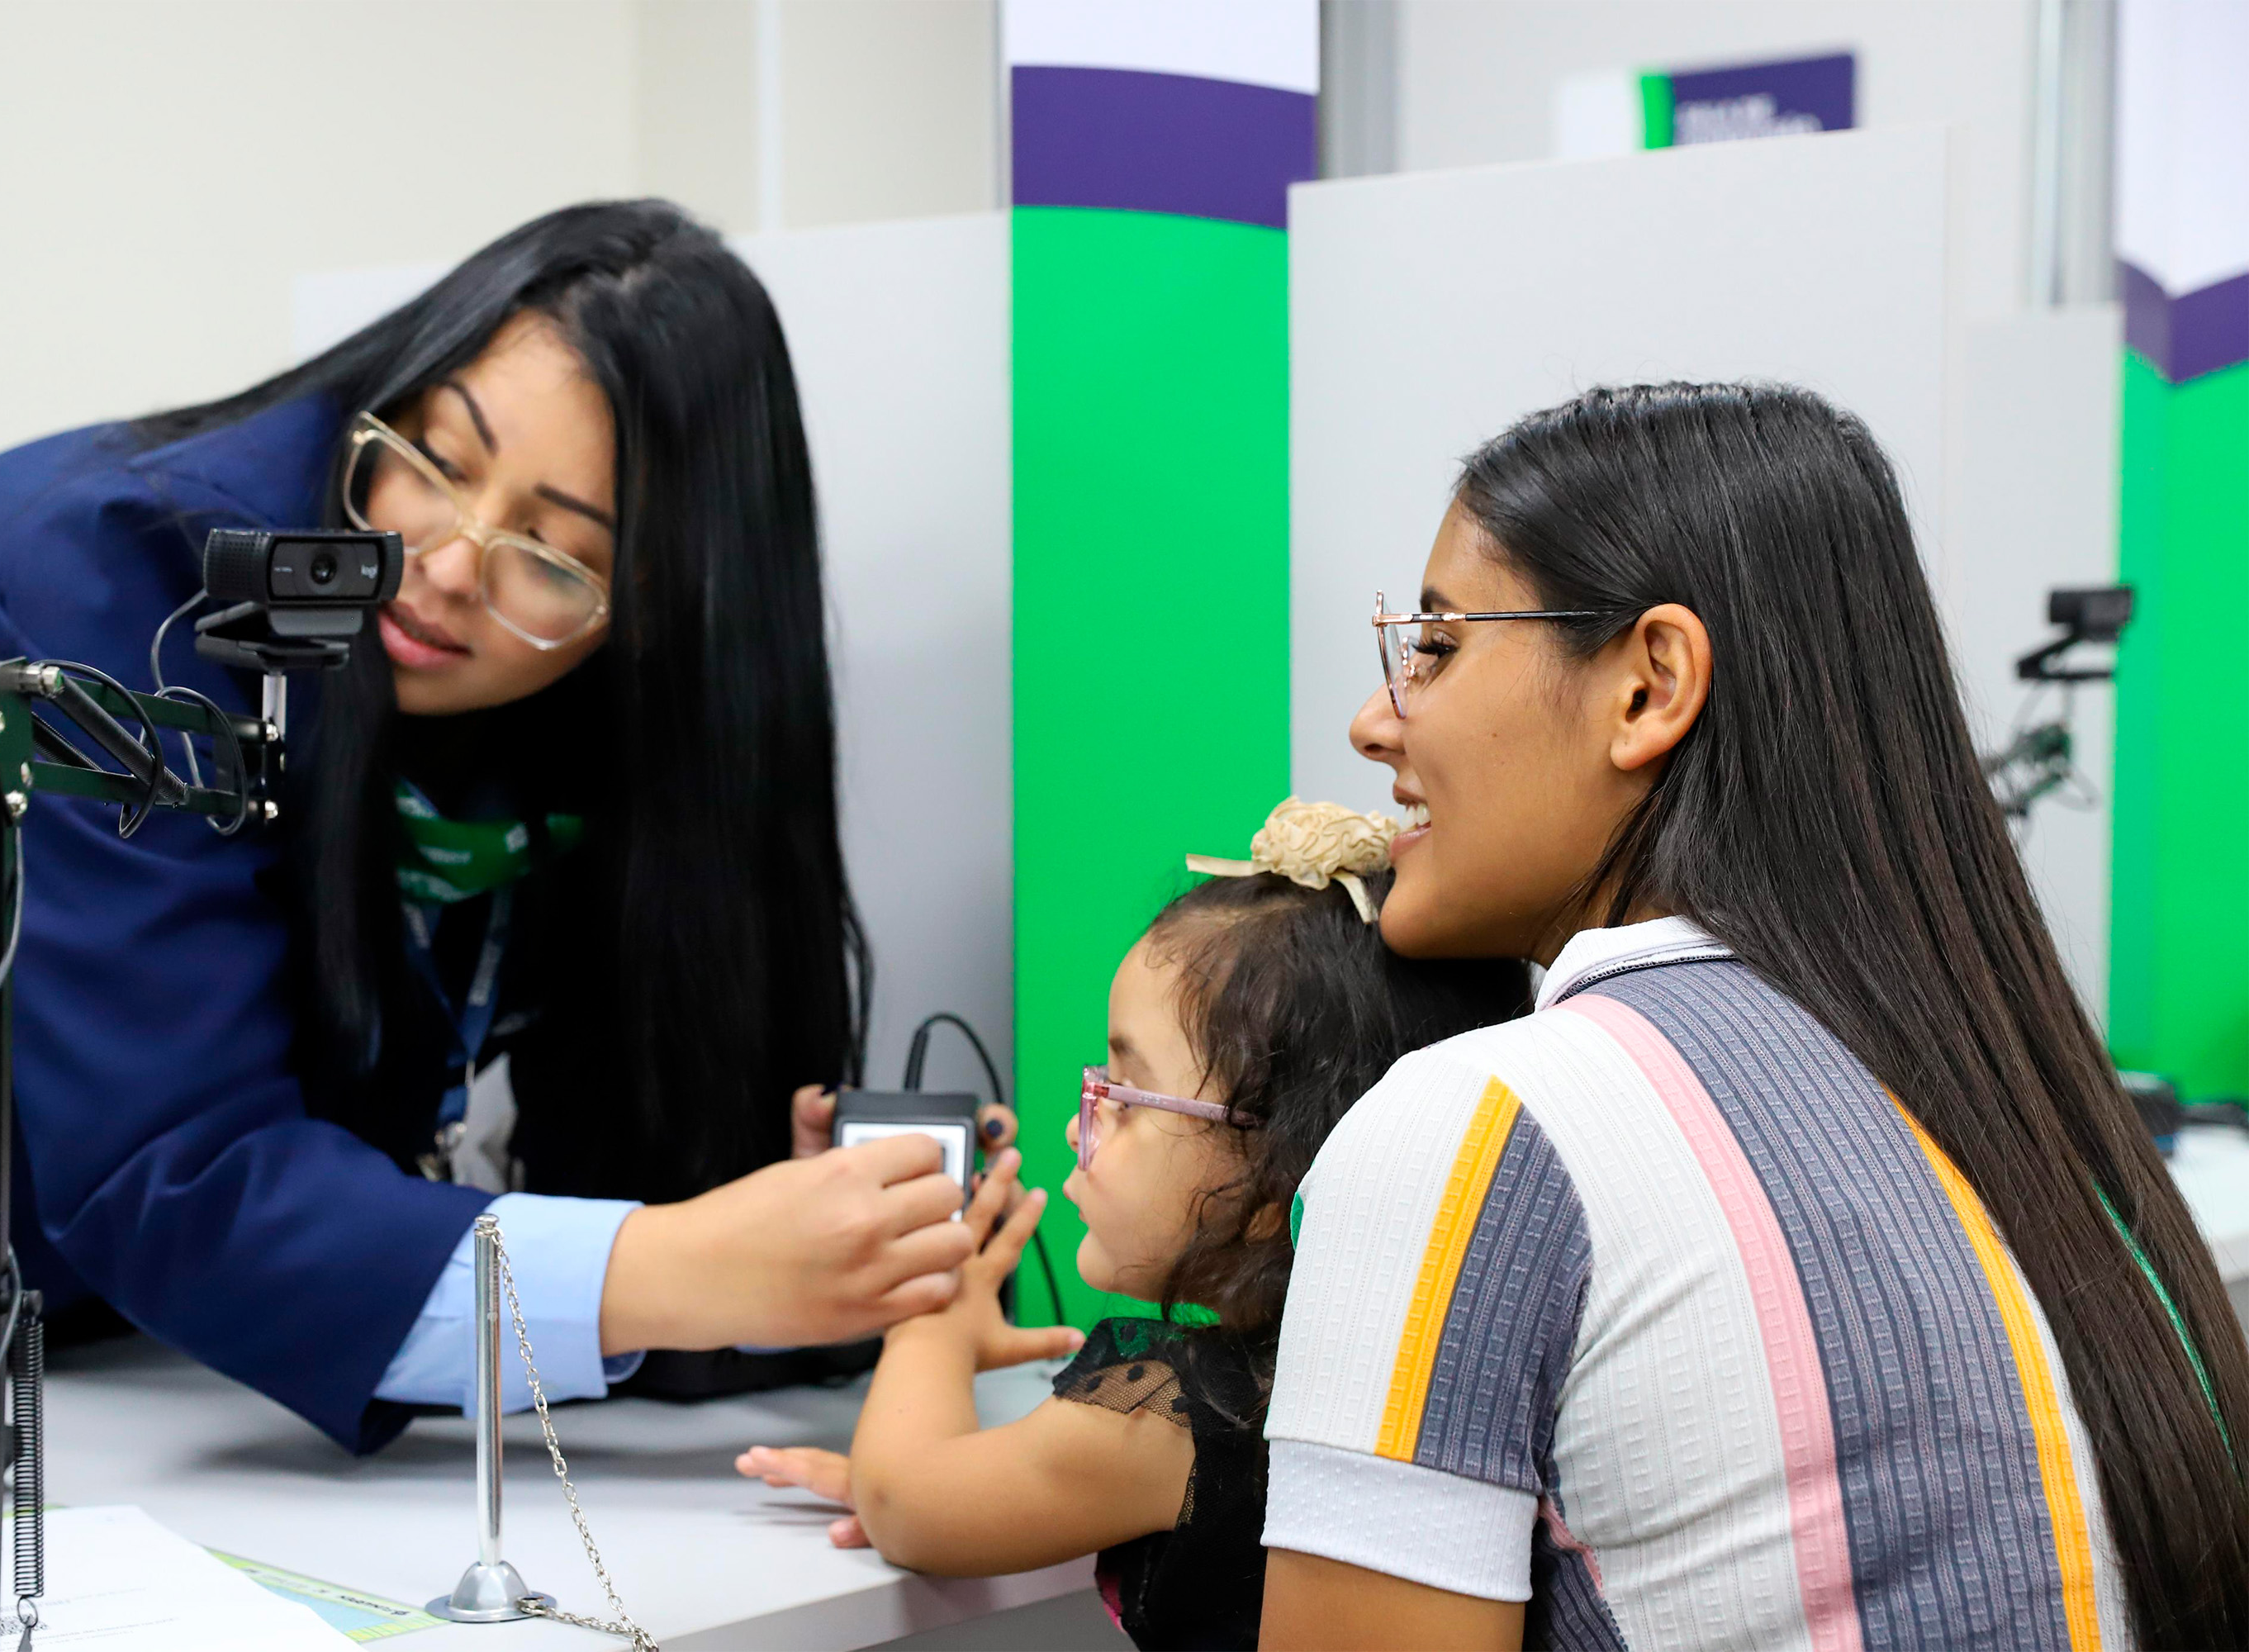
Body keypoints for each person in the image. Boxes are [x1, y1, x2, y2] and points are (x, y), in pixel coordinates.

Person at [0, 200, 1011, 1453]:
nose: (453, 564)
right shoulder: (121, 585)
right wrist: (684, 1265)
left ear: (655, 611)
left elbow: (621, 1193)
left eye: (555, 552)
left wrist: (821, 1253)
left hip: (92, 1349)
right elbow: (173, 1179)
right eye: (436, 457)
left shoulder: (585, 719)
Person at [1260, 383, 2249, 1649]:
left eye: (1438, 648)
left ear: (1649, 687)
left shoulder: (1482, 1129)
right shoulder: (2013, 1104)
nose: (1374, 721)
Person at [733, 801, 1530, 1650]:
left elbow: (905, 1507)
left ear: (1282, 1182)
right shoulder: (1420, 1373)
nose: (1079, 1126)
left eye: (1123, 1096)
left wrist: (936, 1311)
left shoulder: (1176, 1414)